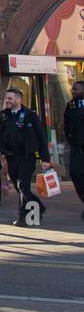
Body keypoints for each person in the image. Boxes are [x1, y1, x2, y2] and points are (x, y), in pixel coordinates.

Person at [0, 88, 49, 227]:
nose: (7, 101)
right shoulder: (4, 115)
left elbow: (41, 138)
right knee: (19, 187)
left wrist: (45, 159)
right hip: (11, 156)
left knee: (23, 186)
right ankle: (38, 207)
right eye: (6, 98)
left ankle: (23, 217)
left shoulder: (30, 115)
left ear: (18, 99)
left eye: (10, 98)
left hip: (27, 156)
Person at [61, 80, 84, 219]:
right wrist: (69, 138)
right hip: (76, 145)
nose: (73, 91)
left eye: (76, 89)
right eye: (73, 89)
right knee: (75, 174)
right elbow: (66, 123)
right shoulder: (71, 105)